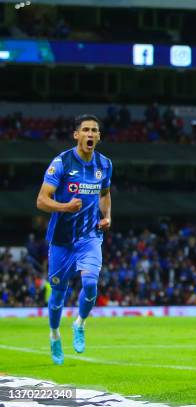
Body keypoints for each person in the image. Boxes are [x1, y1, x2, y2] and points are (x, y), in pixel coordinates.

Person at [36, 114, 112, 365]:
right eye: (86, 130)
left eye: (95, 131)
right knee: (58, 294)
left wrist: (107, 215)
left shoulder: (105, 164)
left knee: (90, 283)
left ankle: (80, 323)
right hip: (61, 239)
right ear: (76, 134)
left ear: (99, 136)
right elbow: (41, 200)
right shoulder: (62, 163)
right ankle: (55, 334)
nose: (90, 134)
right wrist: (65, 207)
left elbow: (105, 193)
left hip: (90, 236)